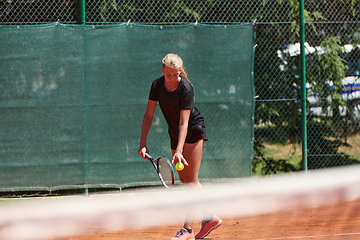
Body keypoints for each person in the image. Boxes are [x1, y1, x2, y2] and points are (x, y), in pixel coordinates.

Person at [138, 53, 222, 240]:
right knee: (186, 180)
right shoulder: (156, 85)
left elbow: (184, 122)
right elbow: (148, 116)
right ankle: (209, 218)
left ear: (180, 72)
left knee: (191, 179)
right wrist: (142, 143)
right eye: (168, 74)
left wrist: (178, 150)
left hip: (192, 130)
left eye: (176, 74)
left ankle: (187, 229)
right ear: (163, 71)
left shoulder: (186, 87)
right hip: (175, 134)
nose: (172, 78)